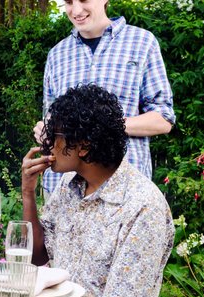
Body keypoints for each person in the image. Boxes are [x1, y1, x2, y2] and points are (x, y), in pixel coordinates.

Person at [22, 84, 174, 297]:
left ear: (83, 146)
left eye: (55, 135)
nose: (47, 144)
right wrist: (28, 193)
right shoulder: (69, 185)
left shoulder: (143, 207)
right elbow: (37, 256)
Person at [35, 0, 176, 196]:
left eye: (84, 0)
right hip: (64, 193)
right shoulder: (57, 54)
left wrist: (104, 127)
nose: (76, 10)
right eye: (68, 2)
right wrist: (46, 130)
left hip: (125, 190)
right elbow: (51, 119)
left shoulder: (142, 42)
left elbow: (163, 119)